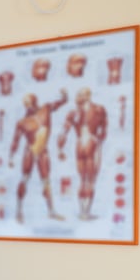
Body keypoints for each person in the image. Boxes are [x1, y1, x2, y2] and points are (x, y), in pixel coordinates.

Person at [9, 89, 68, 223]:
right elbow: (15, 140)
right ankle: (19, 211)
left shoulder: (46, 109)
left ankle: (51, 211)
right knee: (24, 179)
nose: (28, 106)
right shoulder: (22, 122)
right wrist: (11, 157)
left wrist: (65, 97)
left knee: (46, 181)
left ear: (35, 102)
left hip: (42, 151)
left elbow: (59, 104)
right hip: (29, 151)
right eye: (26, 104)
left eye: (30, 103)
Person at [56, 87, 108, 220]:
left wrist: (60, 149)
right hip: (92, 142)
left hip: (80, 144)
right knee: (90, 180)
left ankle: (82, 211)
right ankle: (86, 212)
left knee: (83, 180)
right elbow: (103, 132)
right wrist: (98, 141)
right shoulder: (99, 110)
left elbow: (63, 132)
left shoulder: (73, 113)